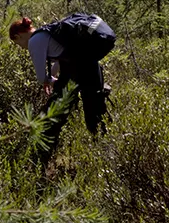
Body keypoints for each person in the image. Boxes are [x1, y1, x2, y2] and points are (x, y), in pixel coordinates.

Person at [9, 13, 115, 165]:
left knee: (54, 115)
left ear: (18, 36)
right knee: (95, 110)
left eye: (17, 44)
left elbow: (41, 78)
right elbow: (62, 58)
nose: (21, 47)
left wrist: (52, 82)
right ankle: (107, 155)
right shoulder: (49, 32)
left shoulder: (34, 41)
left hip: (78, 65)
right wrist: (55, 79)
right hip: (90, 62)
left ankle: (38, 161)